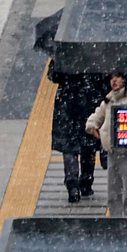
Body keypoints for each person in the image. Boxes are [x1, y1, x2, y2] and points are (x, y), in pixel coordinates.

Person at [85, 71, 127, 216]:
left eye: (118, 77)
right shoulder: (108, 101)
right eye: (112, 78)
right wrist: (93, 129)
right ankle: (115, 224)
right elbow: (94, 118)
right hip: (112, 153)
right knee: (114, 195)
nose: (114, 81)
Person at [48, 63, 105, 204]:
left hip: (67, 103)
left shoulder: (64, 50)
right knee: (89, 141)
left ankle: (72, 183)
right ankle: (86, 181)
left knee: (69, 144)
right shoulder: (95, 51)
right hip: (90, 100)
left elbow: (53, 75)